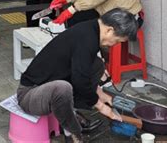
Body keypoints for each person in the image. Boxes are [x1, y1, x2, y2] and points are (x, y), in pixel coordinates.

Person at [17, 8, 138, 143]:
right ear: (109, 30)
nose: (115, 45)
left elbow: (82, 70)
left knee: (96, 64)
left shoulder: (91, 29)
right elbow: (80, 79)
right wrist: (101, 106)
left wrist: (100, 93)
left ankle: (71, 110)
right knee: (63, 88)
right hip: (29, 95)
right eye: (117, 41)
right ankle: (73, 134)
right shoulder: (87, 39)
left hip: (47, 87)